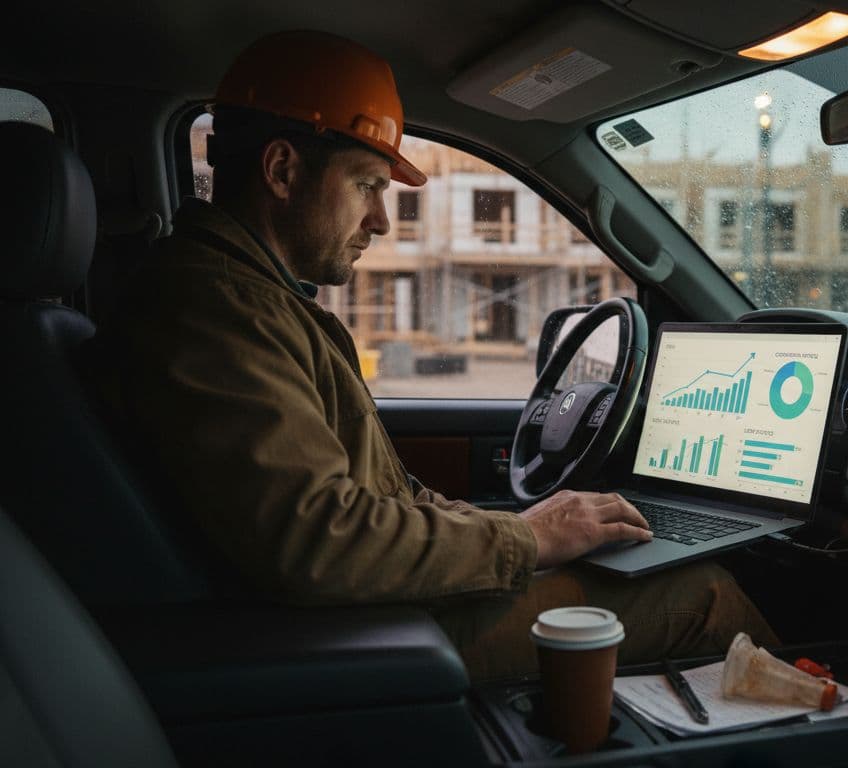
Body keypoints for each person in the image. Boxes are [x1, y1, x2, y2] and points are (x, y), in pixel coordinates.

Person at [84, 30, 776, 680]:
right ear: (283, 169)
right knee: (701, 595)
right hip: (342, 637)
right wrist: (526, 541)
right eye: (367, 186)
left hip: (358, 612)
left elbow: (359, 504)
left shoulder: (247, 301)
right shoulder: (216, 310)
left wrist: (516, 529)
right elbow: (318, 542)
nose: (381, 220)